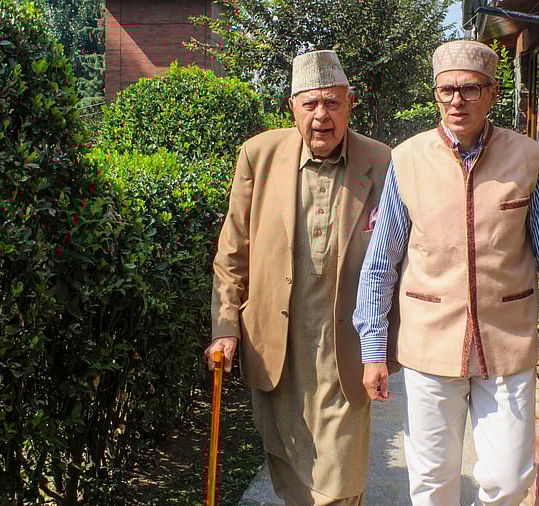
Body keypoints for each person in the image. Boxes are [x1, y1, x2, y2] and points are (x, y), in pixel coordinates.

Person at [353, 40, 539, 506]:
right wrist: (373, 350)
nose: (457, 100)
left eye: (471, 89)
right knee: (432, 480)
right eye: (447, 90)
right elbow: (381, 262)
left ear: (493, 93)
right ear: (435, 94)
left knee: (510, 480)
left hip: (507, 341)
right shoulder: (408, 160)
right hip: (430, 342)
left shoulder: (527, 157)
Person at [206, 50, 391, 505]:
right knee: (290, 465)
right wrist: (226, 327)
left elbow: (399, 254)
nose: (321, 116)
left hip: (345, 344)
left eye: (332, 103)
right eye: (310, 105)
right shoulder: (259, 155)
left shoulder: (382, 162)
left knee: (341, 476)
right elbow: (233, 251)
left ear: (350, 103)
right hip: (276, 341)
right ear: (292, 107)